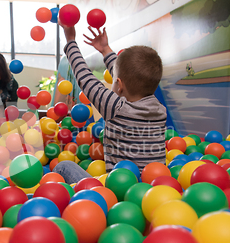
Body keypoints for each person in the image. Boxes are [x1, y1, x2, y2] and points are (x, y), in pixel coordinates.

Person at [53, 25, 167, 185]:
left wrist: (70, 40)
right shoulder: (159, 109)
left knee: (63, 166)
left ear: (119, 85)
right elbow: (129, 76)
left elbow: (83, 76)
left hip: (117, 190)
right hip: (155, 187)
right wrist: (105, 49)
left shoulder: (115, 107)